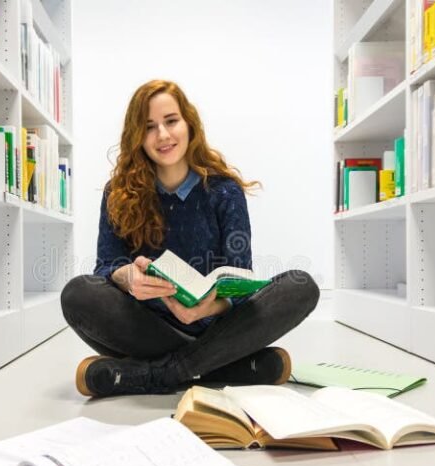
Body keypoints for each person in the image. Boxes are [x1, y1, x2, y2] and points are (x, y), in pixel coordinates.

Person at [61, 79, 320, 397]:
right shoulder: (118, 193)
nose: (164, 135)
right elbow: (106, 266)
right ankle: (220, 367)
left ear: (189, 123)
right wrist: (126, 276)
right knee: (78, 293)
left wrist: (209, 308)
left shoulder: (225, 191)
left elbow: (239, 279)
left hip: (218, 327)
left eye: (171, 121)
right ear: (137, 137)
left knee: (300, 285)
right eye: (149, 127)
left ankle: (163, 374)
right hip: (148, 327)